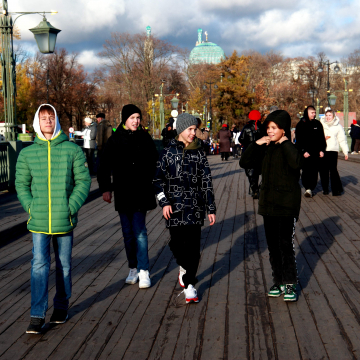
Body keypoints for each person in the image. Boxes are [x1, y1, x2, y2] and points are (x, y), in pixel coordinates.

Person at [15, 104, 91, 334]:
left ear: (56, 120)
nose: (47, 121)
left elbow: (83, 181)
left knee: (64, 266)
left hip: (64, 218)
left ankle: (61, 307)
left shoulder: (72, 150)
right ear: (38, 122)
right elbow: (21, 184)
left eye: (51, 117)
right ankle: (37, 315)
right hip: (39, 220)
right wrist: (30, 206)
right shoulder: (27, 153)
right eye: (43, 117)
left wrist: (71, 207)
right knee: (39, 265)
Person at [153, 113, 216, 304]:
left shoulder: (199, 153)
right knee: (177, 243)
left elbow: (206, 181)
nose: (193, 133)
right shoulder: (167, 153)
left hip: (195, 207)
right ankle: (184, 266)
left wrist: (210, 208)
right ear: (180, 130)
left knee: (194, 248)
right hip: (174, 208)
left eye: (194, 129)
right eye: (190, 129)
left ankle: (189, 285)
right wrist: (164, 202)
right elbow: (157, 180)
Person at [240, 110, 302, 302]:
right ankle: (278, 281)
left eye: (274, 128)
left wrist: (285, 143)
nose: (270, 131)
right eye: (268, 128)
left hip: (286, 205)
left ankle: (290, 283)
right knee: (273, 246)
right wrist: (256, 144)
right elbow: (245, 162)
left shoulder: (289, 147)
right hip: (269, 204)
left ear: (284, 129)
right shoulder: (265, 148)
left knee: (285, 245)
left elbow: (296, 162)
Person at [97, 104, 158, 289]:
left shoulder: (144, 137)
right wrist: (106, 188)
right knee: (127, 233)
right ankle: (133, 268)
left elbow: (155, 160)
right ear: (125, 119)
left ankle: (144, 270)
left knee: (140, 231)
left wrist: (153, 181)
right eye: (132, 118)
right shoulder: (115, 139)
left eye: (138, 117)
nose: (136, 121)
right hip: (123, 192)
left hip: (141, 191)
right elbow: (104, 165)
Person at [295, 105, 326, 197]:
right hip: (305, 153)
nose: (314, 114)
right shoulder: (301, 124)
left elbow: (321, 138)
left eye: (315, 112)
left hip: (316, 152)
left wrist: (322, 150)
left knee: (314, 171)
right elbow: (298, 140)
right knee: (306, 171)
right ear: (307, 113)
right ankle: (307, 188)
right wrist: (303, 151)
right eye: (312, 113)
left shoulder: (318, 124)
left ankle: (311, 188)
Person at [319, 109, 349, 195]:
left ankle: (335, 190)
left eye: (330, 115)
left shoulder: (338, 126)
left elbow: (342, 140)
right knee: (323, 170)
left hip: (333, 150)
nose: (328, 117)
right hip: (323, 150)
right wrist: (323, 139)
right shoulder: (321, 124)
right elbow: (316, 137)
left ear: (333, 116)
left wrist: (345, 152)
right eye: (327, 115)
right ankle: (325, 189)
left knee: (333, 170)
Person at [239, 110, 262, 198]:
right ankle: (255, 188)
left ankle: (254, 188)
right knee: (256, 171)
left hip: (248, 151)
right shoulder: (262, 127)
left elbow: (241, 139)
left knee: (249, 171)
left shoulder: (246, 127)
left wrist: (245, 143)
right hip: (260, 152)